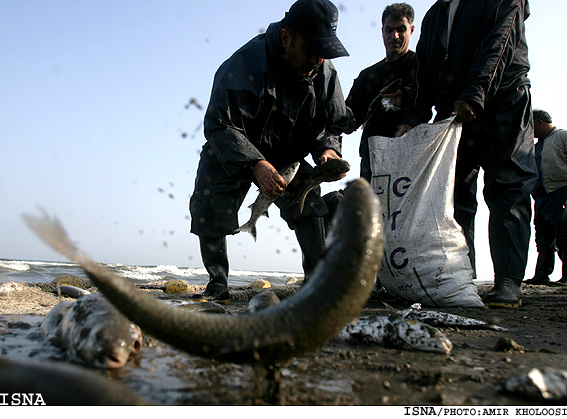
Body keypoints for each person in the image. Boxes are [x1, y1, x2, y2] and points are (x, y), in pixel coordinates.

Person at [189, 0, 350, 301]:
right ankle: (217, 283)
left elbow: (333, 123)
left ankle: (318, 283)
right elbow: (219, 124)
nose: (317, 59)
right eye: (310, 48)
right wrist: (255, 163)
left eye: (323, 51)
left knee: (310, 206)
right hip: (236, 148)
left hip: (289, 156)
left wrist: (328, 150)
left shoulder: (324, 71)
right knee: (209, 200)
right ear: (287, 37)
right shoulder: (245, 63)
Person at [398, 0, 537, 308]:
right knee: (454, 195)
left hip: (503, 102)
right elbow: (424, 67)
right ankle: (462, 276)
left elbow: (499, 43)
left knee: (507, 186)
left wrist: (476, 92)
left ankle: (508, 281)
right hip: (454, 113)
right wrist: (414, 116)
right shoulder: (435, 14)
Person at [345, 2, 416, 183]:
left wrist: (404, 95)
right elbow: (348, 118)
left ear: (411, 30)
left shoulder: (420, 66)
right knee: (371, 210)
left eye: (401, 29)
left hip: (410, 155)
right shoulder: (367, 76)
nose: (395, 36)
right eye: (389, 30)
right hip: (372, 159)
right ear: (382, 31)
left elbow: (430, 98)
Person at [525, 110, 567, 286]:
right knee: (543, 238)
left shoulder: (562, 136)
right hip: (541, 198)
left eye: (532, 126)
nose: (531, 132)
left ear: (540, 122)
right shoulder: (536, 147)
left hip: (561, 192)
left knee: (564, 235)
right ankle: (542, 274)